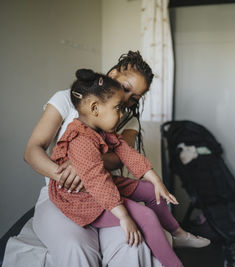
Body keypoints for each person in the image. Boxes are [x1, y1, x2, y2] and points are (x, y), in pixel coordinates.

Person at [24, 51, 209, 267]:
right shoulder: (70, 102)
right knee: (79, 248)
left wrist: (155, 180)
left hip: (105, 187)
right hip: (70, 192)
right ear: (111, 76)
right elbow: (32, 151)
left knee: (136, 242)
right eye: (126, 88)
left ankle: (177, 233)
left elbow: (122, 156)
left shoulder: (121, 119)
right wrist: (69, 173)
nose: (127, 101)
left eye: (135, 97)